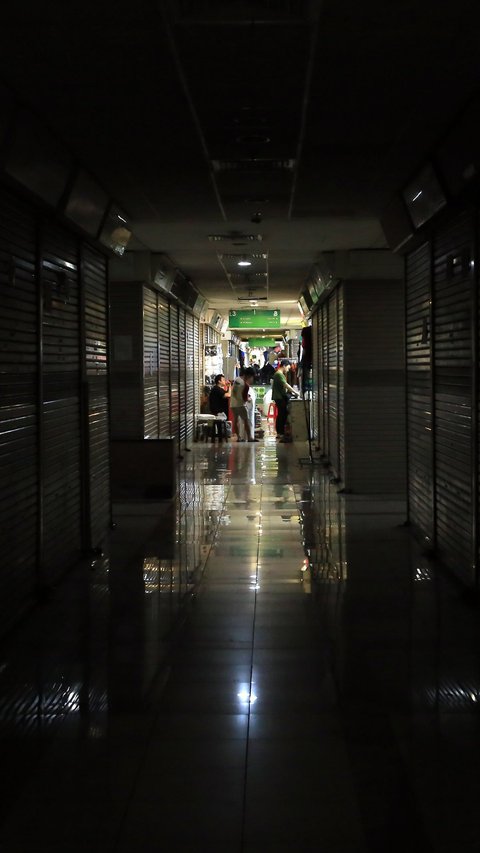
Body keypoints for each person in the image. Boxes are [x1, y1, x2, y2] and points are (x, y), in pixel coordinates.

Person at [230, 366, 259, 442]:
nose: (251, 379)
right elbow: (244, 398)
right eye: (252, 377)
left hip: (233, 404)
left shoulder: (237, 379)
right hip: (240, 405)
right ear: (249, 376)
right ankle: (250, 437)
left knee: (235, 420)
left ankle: (238, 438)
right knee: (246, 421)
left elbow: (236, 392)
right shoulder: (245, 385)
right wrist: (249, 399)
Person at [271, 358, 298, 438]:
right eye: (288, 368)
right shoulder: (279, 374)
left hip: (278, 397)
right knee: (282, 415)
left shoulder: (278, 374)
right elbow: (286, 385)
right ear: (284, 366)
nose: (288, 370)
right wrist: (295, 392)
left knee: (282, 414)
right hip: (279, 397)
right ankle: (280, 432)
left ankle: (281, 432)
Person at [208, 374, 230, 441]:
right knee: (220, 422)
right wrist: (230, 386)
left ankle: (220, 436)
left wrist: (228, 387)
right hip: (217, 411)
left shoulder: (218, 389)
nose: (224, 381)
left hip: (218, 410)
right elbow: (227, 395)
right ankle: (219, 437)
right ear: (219, 381)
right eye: (223, 380)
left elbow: (226, 393)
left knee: (220, 423)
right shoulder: (217, 389)